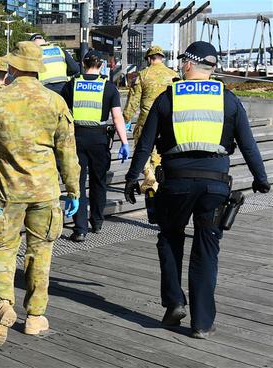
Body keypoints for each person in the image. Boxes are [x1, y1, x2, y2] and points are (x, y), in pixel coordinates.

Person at [124, 41, 270, 339]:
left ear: (189, 65)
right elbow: (247, 143)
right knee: (206, 247)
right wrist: (261, 178)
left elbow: (145, 143)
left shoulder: (169, 97)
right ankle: (202, 322)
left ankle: (175, 301)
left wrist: (131, 177)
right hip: (215, 186)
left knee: (170, 238)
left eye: (182, 63)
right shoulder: (228, 99)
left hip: (175, 183)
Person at [0, 41, 81, 348]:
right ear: (38, 69)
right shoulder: (55, 102)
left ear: (13, 68)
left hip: (8, 193)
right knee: (40, 253)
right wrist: (73, 189)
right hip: (45, 191)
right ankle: (34, 317)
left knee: (3, 250)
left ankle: (4, 304)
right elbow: (67, 153)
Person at [61, 49, 130, 239]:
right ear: (101, 66)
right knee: (99, 181)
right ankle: (97, 221)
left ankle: (80, 229)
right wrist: (124, 142)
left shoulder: (72, 85)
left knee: (78, 183)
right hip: (99, 140)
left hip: (76, 138)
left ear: (83, 64)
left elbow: (63, 113)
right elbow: (117, 117)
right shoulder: (108, 88)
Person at [123, 45, 178, 197]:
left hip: (146, 120)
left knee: (142, 149)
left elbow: (133, 102)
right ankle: (158, 178)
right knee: (161, 151)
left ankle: (149, 177)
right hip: (168, 121)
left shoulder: (142, 75)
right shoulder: (174, 75)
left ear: (149, 58)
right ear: (161, 58)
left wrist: (125, 119)